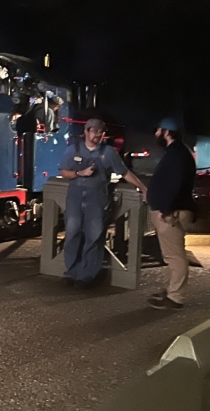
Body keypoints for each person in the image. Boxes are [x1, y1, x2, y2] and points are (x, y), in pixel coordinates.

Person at [58, 117, 147, 289]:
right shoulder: (73, 150)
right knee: (72, 235)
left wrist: (142, 188)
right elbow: (64, 172)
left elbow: (124, 173)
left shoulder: (109, 152)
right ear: (86, 131)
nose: (98, 135)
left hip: (97, 200)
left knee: (94, 237)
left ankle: (86, 276)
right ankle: (71, 273)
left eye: (101, 132)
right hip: (75, 199)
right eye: (95, 131)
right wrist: (80, 173)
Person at [146, 118, 197, 310]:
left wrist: (166, 208)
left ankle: (175, 297)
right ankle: (172, 290)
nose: (156, 134)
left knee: (174, 256)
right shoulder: (178, 152)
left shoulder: (176, 154)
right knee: (172, 254)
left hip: (172, 212)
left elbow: (175, 183)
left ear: (167, 132)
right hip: (173, 209)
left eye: (158, 130)